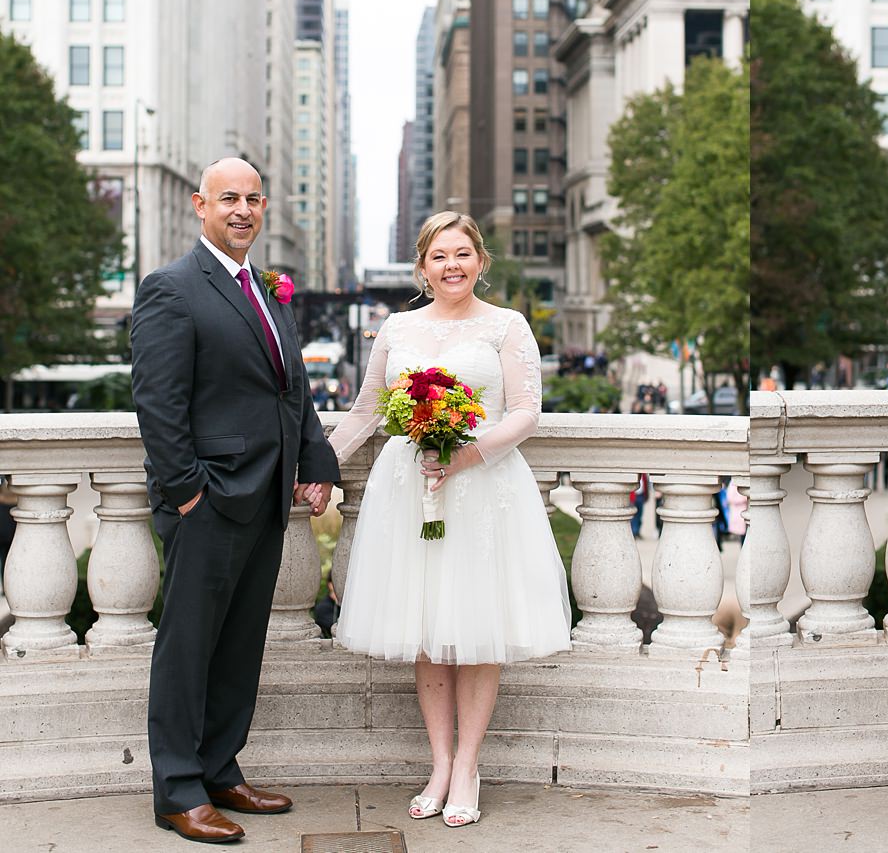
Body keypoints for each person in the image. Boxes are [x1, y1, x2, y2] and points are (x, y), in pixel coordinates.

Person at [327, 211, 571, 830]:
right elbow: (364, 411)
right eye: (440, 256)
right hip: (409, 489)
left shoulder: (508, 327)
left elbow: (524, 413)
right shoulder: (397, 327)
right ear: (422, 267)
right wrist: (320, 467)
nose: (452, 265)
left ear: (480, 262)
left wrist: (465, 455)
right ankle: (438, 764)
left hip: (483, 488)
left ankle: (468, 766)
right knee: (427, 627)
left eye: (463, 254)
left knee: (477, 625)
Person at [131, 157, 338, 844]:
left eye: (253, 197)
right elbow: (158, 404)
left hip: (268, 498)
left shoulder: (268, 293)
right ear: (200, 205)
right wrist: (188, 492)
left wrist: (317, 459)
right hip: (211, 501)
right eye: (229, 198)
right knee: (188, 648)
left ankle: (220, 767)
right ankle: (178, 790)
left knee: (240, 645)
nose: (243, 209)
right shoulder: (172, 288)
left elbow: (292, 390)